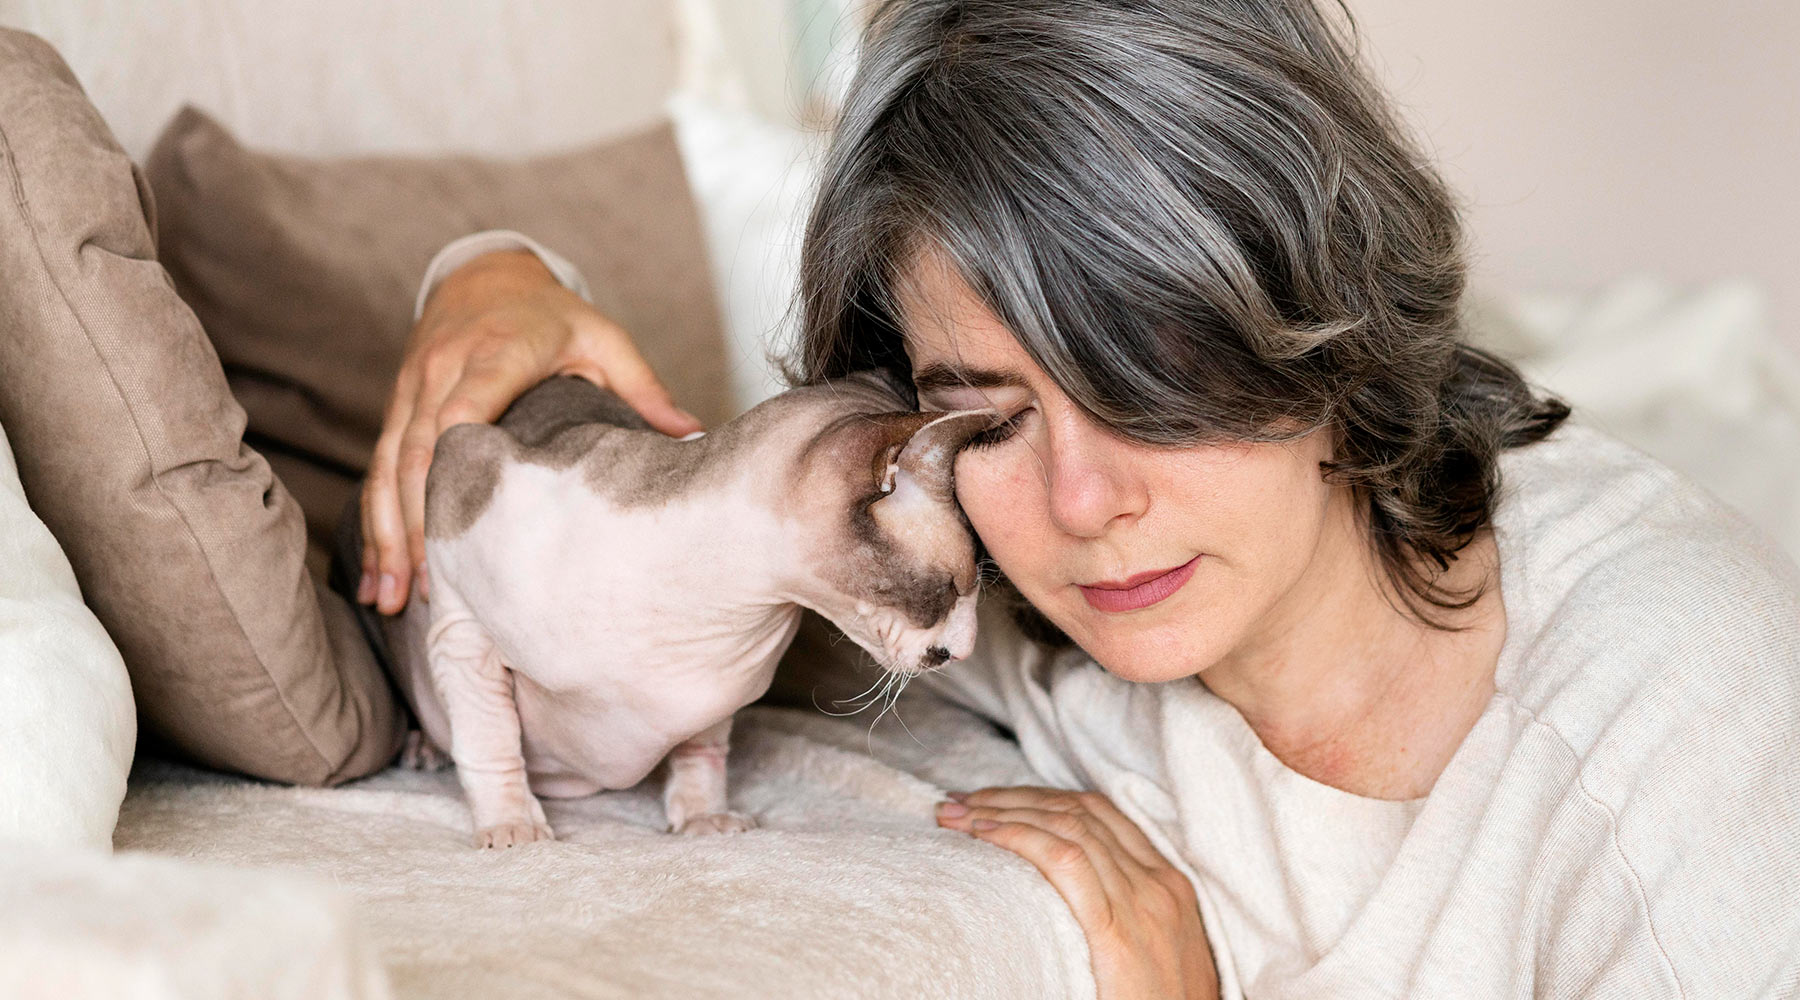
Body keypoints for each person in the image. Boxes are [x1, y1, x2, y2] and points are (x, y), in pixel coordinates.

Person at [356, 1, 1800, 996]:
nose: (1084, 499)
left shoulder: (1669, 725)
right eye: (988, 418)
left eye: (1152, 375)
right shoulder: (972, 590)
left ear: (1327, 311)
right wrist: (494, 273)